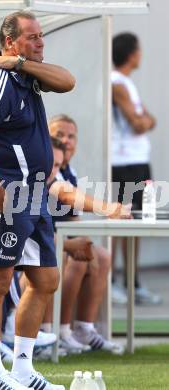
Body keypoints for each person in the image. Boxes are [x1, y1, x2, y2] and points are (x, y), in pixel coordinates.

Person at [0, 11, 75, 390]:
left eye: (42, 36)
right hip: (9, 195)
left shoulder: (26, 75)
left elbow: (69, 81)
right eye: (31, 37)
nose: (40, 42)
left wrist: (19, 61)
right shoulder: (0, 84)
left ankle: (23, 370)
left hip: (36, 196)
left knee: (45, 280)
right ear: (9, 40)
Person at [46, 116, 129, 355]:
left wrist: (84, 240)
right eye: (59, 135)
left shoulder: (66, 170)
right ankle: (58, 332)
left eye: (71, 136)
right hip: (37, 244)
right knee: (74, 258)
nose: (65, 141)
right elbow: (68, 197)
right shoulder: (45, 169)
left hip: (54, 238)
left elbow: (71, 215)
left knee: (99, 254)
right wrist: (109, 208)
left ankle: (83, 328)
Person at [111, 32, 161, 305]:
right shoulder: (116, 82)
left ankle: (132, 282)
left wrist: (147, 119)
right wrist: (147, 120)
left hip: (139, 162)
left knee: (142, 219)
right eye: (139, 49)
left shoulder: (126, 83)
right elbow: (140, 123)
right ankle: (114, 281)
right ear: (131, 53)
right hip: (125, 163)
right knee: (123, 219)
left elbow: (147, 120)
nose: (141, 54)